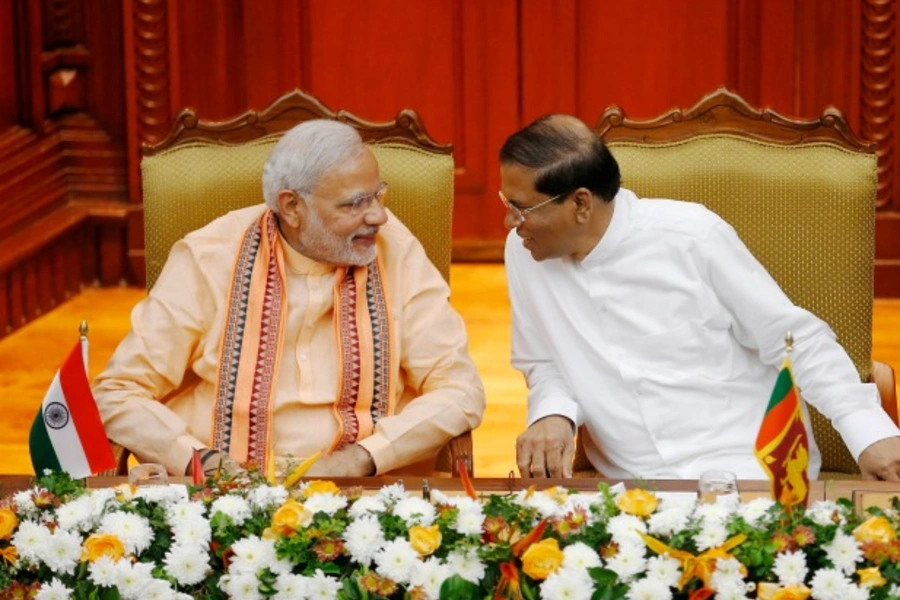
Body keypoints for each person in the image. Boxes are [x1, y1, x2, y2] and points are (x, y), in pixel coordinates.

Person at [501, 114, 900, 481]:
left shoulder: (690, 236)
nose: (509, 222)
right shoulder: (524, 252)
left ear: (581, 203)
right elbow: (543, 360)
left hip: (747, 469)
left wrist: (868, 430)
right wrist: (553, 413)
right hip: (629, 488)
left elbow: (794, 339)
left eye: (520, 209)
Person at [94, 119, 485, 477]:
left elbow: (461, 389)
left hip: (370, 498)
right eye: (355, 203)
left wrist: (363, 458)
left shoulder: (394, 249)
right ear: (292, 207)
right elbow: (116, 392)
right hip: (219, 499)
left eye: (378, 195)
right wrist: (202, 462)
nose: (379, 216)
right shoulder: (208, 257)